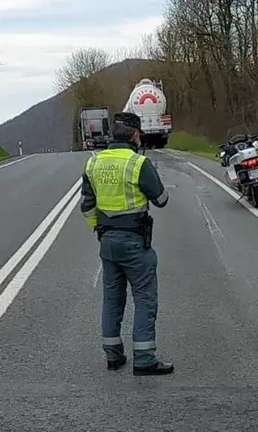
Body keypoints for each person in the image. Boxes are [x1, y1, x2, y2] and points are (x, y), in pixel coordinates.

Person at [80, 112, 174, 376]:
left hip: (107, 241)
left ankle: (113, 355)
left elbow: (86, 205)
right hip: (135, 241)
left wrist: (99, 229)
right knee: (144, 298)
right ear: (135, 135)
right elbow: (162, 199)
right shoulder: (138, 163)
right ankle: (144, 359)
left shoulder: (93, 163)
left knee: (112, 298)